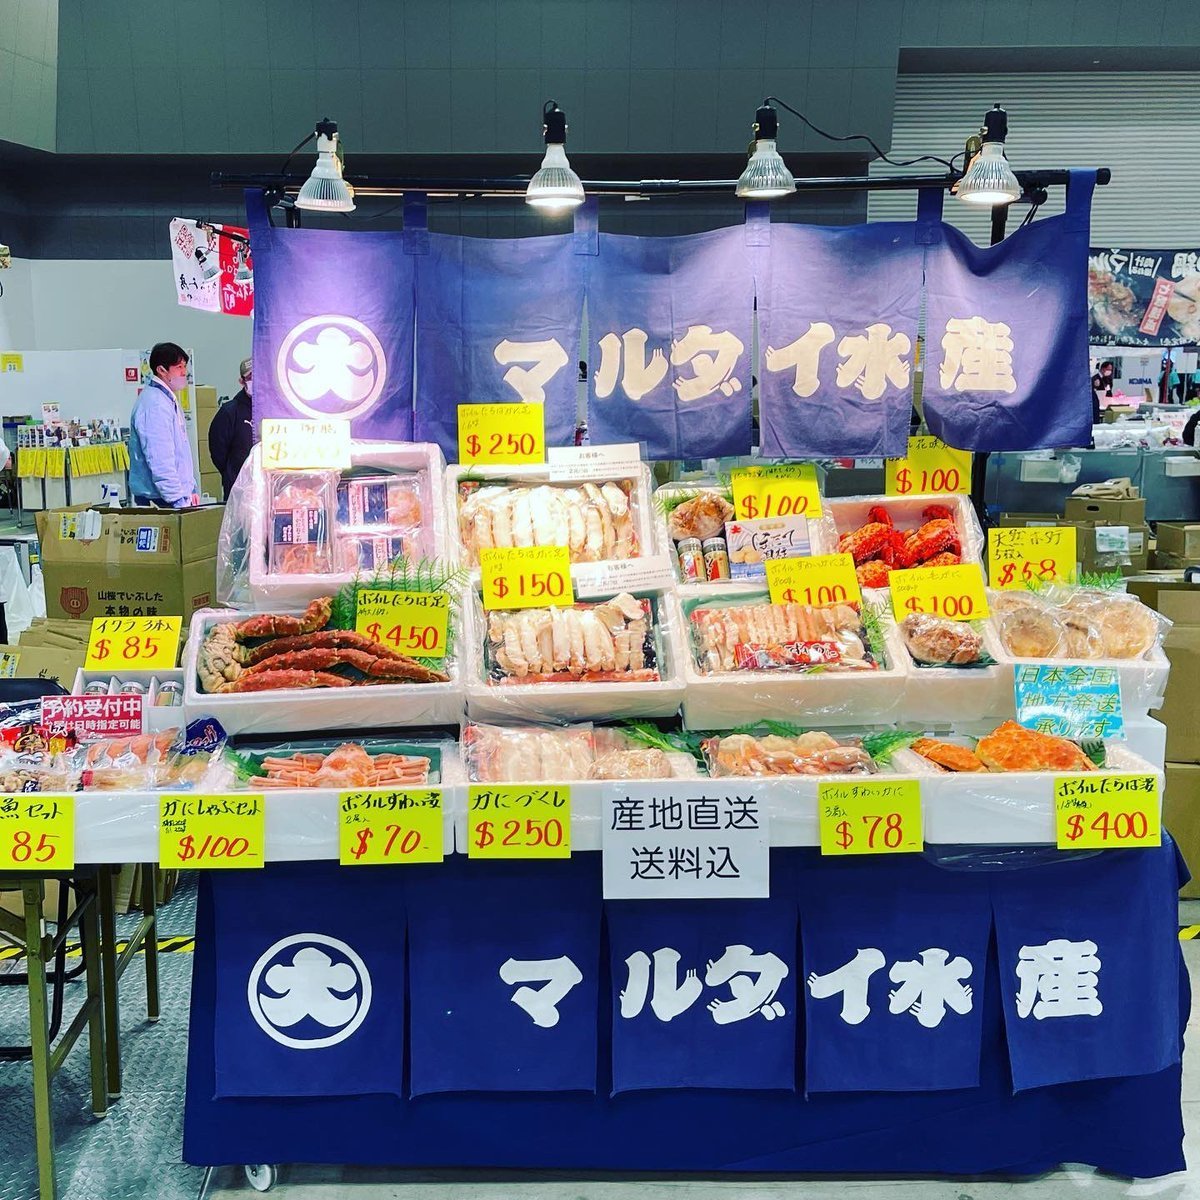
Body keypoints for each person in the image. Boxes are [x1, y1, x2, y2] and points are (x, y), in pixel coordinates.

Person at [128, 342, 198, 508]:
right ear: (161, 370)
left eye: (184, 366)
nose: (184, 372)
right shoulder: (155, 404)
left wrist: (191, 489)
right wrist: (176, 500)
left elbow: (180, 454)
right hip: (162, 500)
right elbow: (160, 459)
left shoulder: (166, 399)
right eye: (179, 367)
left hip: (176, 495)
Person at [208, 357, 254, 499]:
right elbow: (218, 452)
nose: (256, 380)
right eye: (250, 377)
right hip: (239, 488)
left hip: (269, 486)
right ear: (242, 381)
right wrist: (231, 473)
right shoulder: (230, 412)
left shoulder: (273, 408)